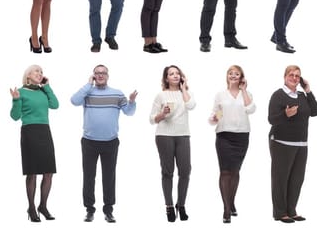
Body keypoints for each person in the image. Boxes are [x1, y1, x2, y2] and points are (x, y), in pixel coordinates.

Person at [70, 64, 137, 223]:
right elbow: (74, 101)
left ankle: (108, 210)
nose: (100, 75)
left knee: (109, 177)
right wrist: (88, 85)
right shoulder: (87, 92)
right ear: (93, 76)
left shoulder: (117, 93)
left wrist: (132, 102)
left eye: (103, 73)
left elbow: (129, 112)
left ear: (108, 76)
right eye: (97, 73)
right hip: (89, 142)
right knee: (89, 176)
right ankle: (89, 209)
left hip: (110, 142)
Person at [268, 65, 317, 223]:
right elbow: (271, 119)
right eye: (291, 75)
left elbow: (316, 111)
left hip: (301, 144)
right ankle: (280, 212)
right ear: (284, 77)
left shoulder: (302, 96)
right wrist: (285, 114)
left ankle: (292, 210)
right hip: (281, 143)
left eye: (297, 76)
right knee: (280, 179)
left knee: (297, 179)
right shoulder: (277, 95)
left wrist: (308, 91)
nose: (294, 78)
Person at [10, 65, 60, 222]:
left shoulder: (43, 91)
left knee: (48, 172)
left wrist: (47, 87)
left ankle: (43, 206)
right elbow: (15, 116)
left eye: (41, 72)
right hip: (29, 132)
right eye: (36, 71)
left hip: (45, 131)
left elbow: (55, 105)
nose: (40, 73)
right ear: (28, 76)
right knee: (32, 172)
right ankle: (31, 208)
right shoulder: (21, 92)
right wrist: (16, 100)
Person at [208, 65, 256, 223]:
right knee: (225, 172)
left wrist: (243, 90)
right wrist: (214, 118)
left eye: (237, 74)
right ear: (226, 76)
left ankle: (232, 201)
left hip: (242, 136)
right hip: (224, 136)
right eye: (231, 73)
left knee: (235, 172)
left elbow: (251, 109)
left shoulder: (246, 94)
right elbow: (215, 115)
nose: (233, 76)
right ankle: (226, 209)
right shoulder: (220, 95)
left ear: (242, 77)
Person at [149, 65, 196, 222]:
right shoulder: (161, 95)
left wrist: (183, 89)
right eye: (171, 74)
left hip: (183, 135)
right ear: (166, 78)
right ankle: (169, 206)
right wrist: (162, 114)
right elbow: (151, 119)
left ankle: (181, 205)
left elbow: (191, 106)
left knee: (185, 171)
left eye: (177, 73)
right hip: (164, 135)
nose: (175, 76)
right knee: (167, 171)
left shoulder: (186, 94)